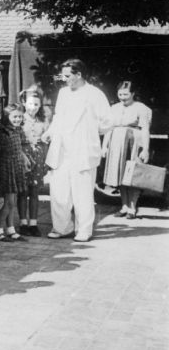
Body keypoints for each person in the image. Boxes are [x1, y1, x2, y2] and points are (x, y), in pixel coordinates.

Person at [43, 59, 112, 242]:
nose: (64, 79)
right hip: (62, 150)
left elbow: (106, 122)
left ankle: (84, 230)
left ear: (79, 74)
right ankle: (62, 227)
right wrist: (49, 132)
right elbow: (58, 117)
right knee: (59, 191)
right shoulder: (63, 93)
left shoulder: (95, 94)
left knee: (82, 193)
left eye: (68, 76)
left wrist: (88, 132)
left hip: (83, 151)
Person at [103, 81, 152, 219]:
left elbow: (145, 129)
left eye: (126, 94)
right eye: (120, 94)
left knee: (133, 175)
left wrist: (145, 149)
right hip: (116, 144)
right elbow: (109, 128)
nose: (122, 97)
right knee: (120, 176)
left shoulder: (141, 108)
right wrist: (104, 146)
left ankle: (132, 208)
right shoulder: (114, 108)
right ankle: (124, 206)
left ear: (133, 94)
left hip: (134, 143)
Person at [0, 104, 31, 242]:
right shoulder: (2, 132)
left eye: (20, 116)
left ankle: (11, 229)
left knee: (12, 201)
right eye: (14, 116)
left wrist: (23, 159)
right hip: (7, 168)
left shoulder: (17, 130)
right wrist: (2, 165)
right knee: (8, 202)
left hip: (16, 167)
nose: (18, 119)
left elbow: (18, 148)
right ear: (7, 116)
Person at [18, 89, 49, 236]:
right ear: (24, 103)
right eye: (30, 103)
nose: (33, 107)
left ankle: (33, 223)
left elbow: (48, 140)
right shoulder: (19, 118)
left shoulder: (43, 121)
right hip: (23, 159)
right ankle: (23, 222)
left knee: (35, 192)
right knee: (23, 192)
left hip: (38, 159)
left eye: (36, 104)